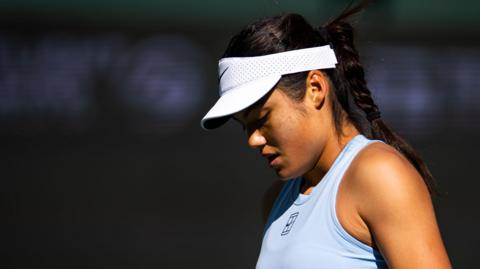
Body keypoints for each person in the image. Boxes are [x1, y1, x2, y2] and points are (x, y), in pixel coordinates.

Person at [200, 2, 452, 268]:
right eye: (244, 126)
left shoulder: (379, 173)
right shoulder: (275, 201)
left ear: (315, 88)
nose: (253, 139)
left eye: (262, 118)